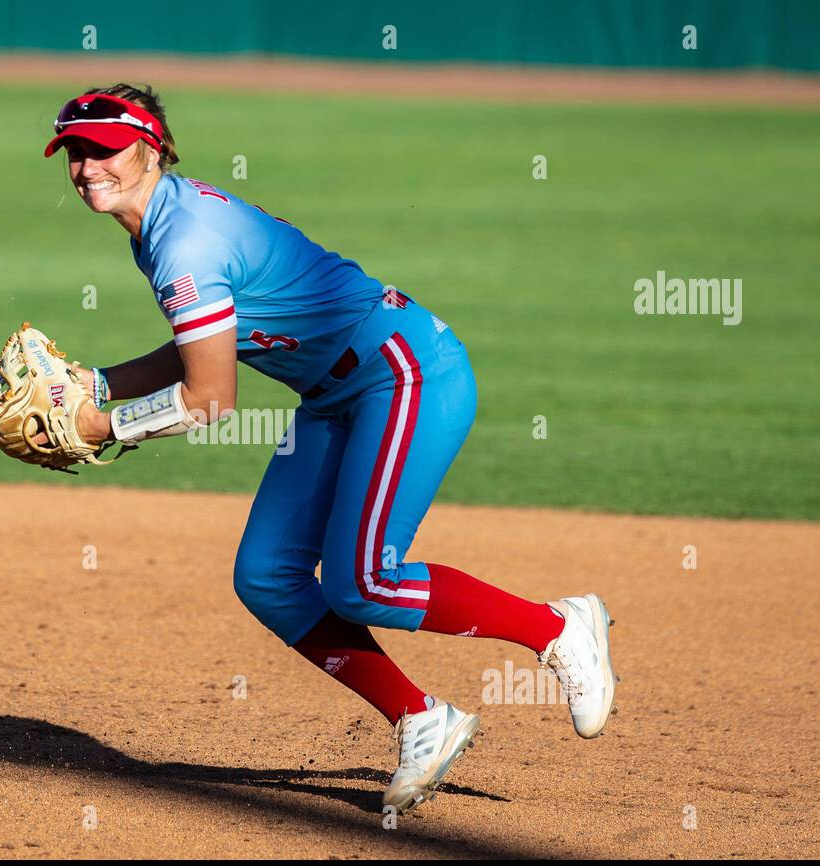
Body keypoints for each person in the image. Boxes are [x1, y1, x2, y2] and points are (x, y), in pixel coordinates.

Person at [42, 83, 617, 814]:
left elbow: (211, 398)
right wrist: (97, 381)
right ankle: (421, 718)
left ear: (149, 148)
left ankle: (558, 626)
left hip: (404, 375)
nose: (89, 166)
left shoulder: (181, 240)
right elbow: (204, 341)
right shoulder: (162, 220)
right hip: (338, 395)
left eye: (106, 148)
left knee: (362, 582)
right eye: (75, 151)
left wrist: (103, 426)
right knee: (268, 576)